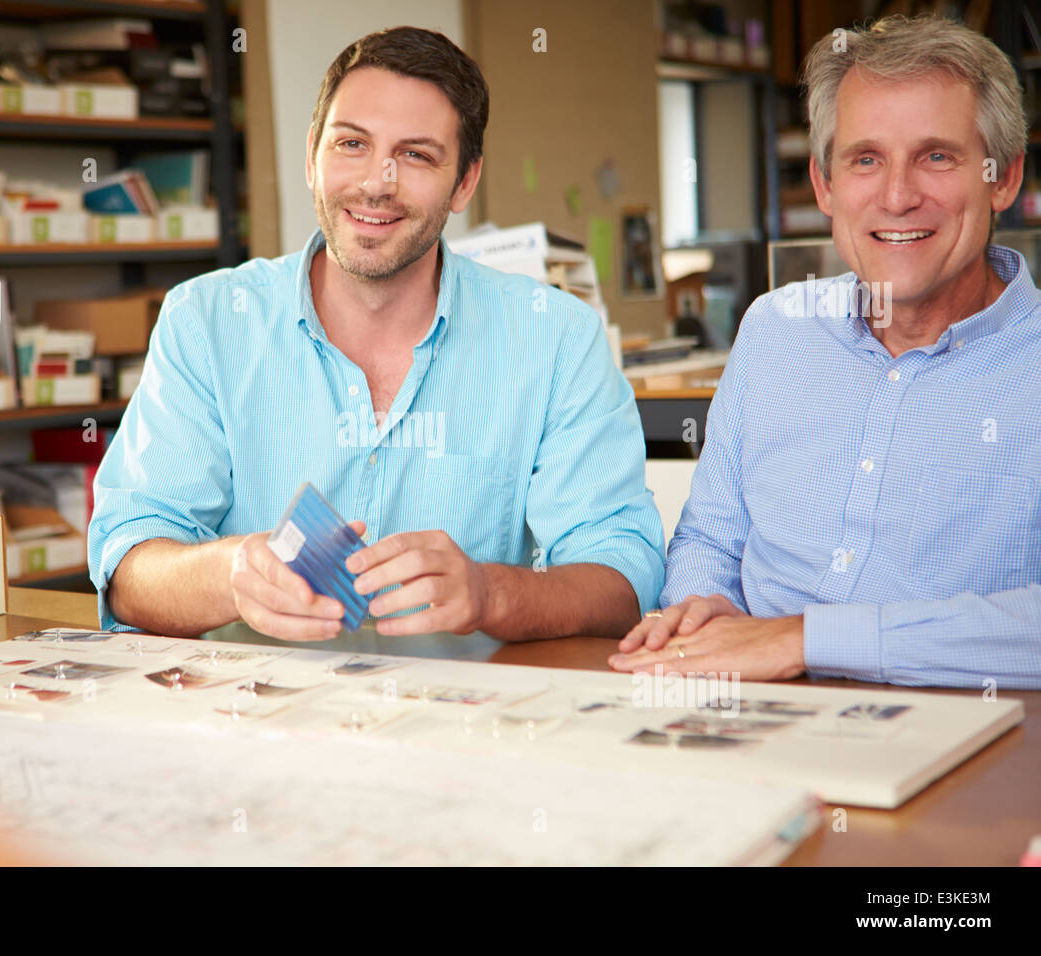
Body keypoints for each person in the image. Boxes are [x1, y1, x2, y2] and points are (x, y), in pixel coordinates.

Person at [89, 26, 664, 642]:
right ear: (312, 156)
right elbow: (128, 565)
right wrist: (231, 573)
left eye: (416, 154)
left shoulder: (556, 339)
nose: (376, 181)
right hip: (259, 721)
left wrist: (491, 592)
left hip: (466, 721)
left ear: (465, 183)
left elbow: (624, 580)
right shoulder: (205, 321)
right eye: (351, 143)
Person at [611, 15, 1041, 689]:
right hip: (753, 720)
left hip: (970, 745)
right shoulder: (774, 330)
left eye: (936, 156)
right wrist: (704, 609)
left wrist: (805, 640)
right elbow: (709, 541)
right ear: (824, 186)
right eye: (865, 159)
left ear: (1004, 178)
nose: (898, 196)